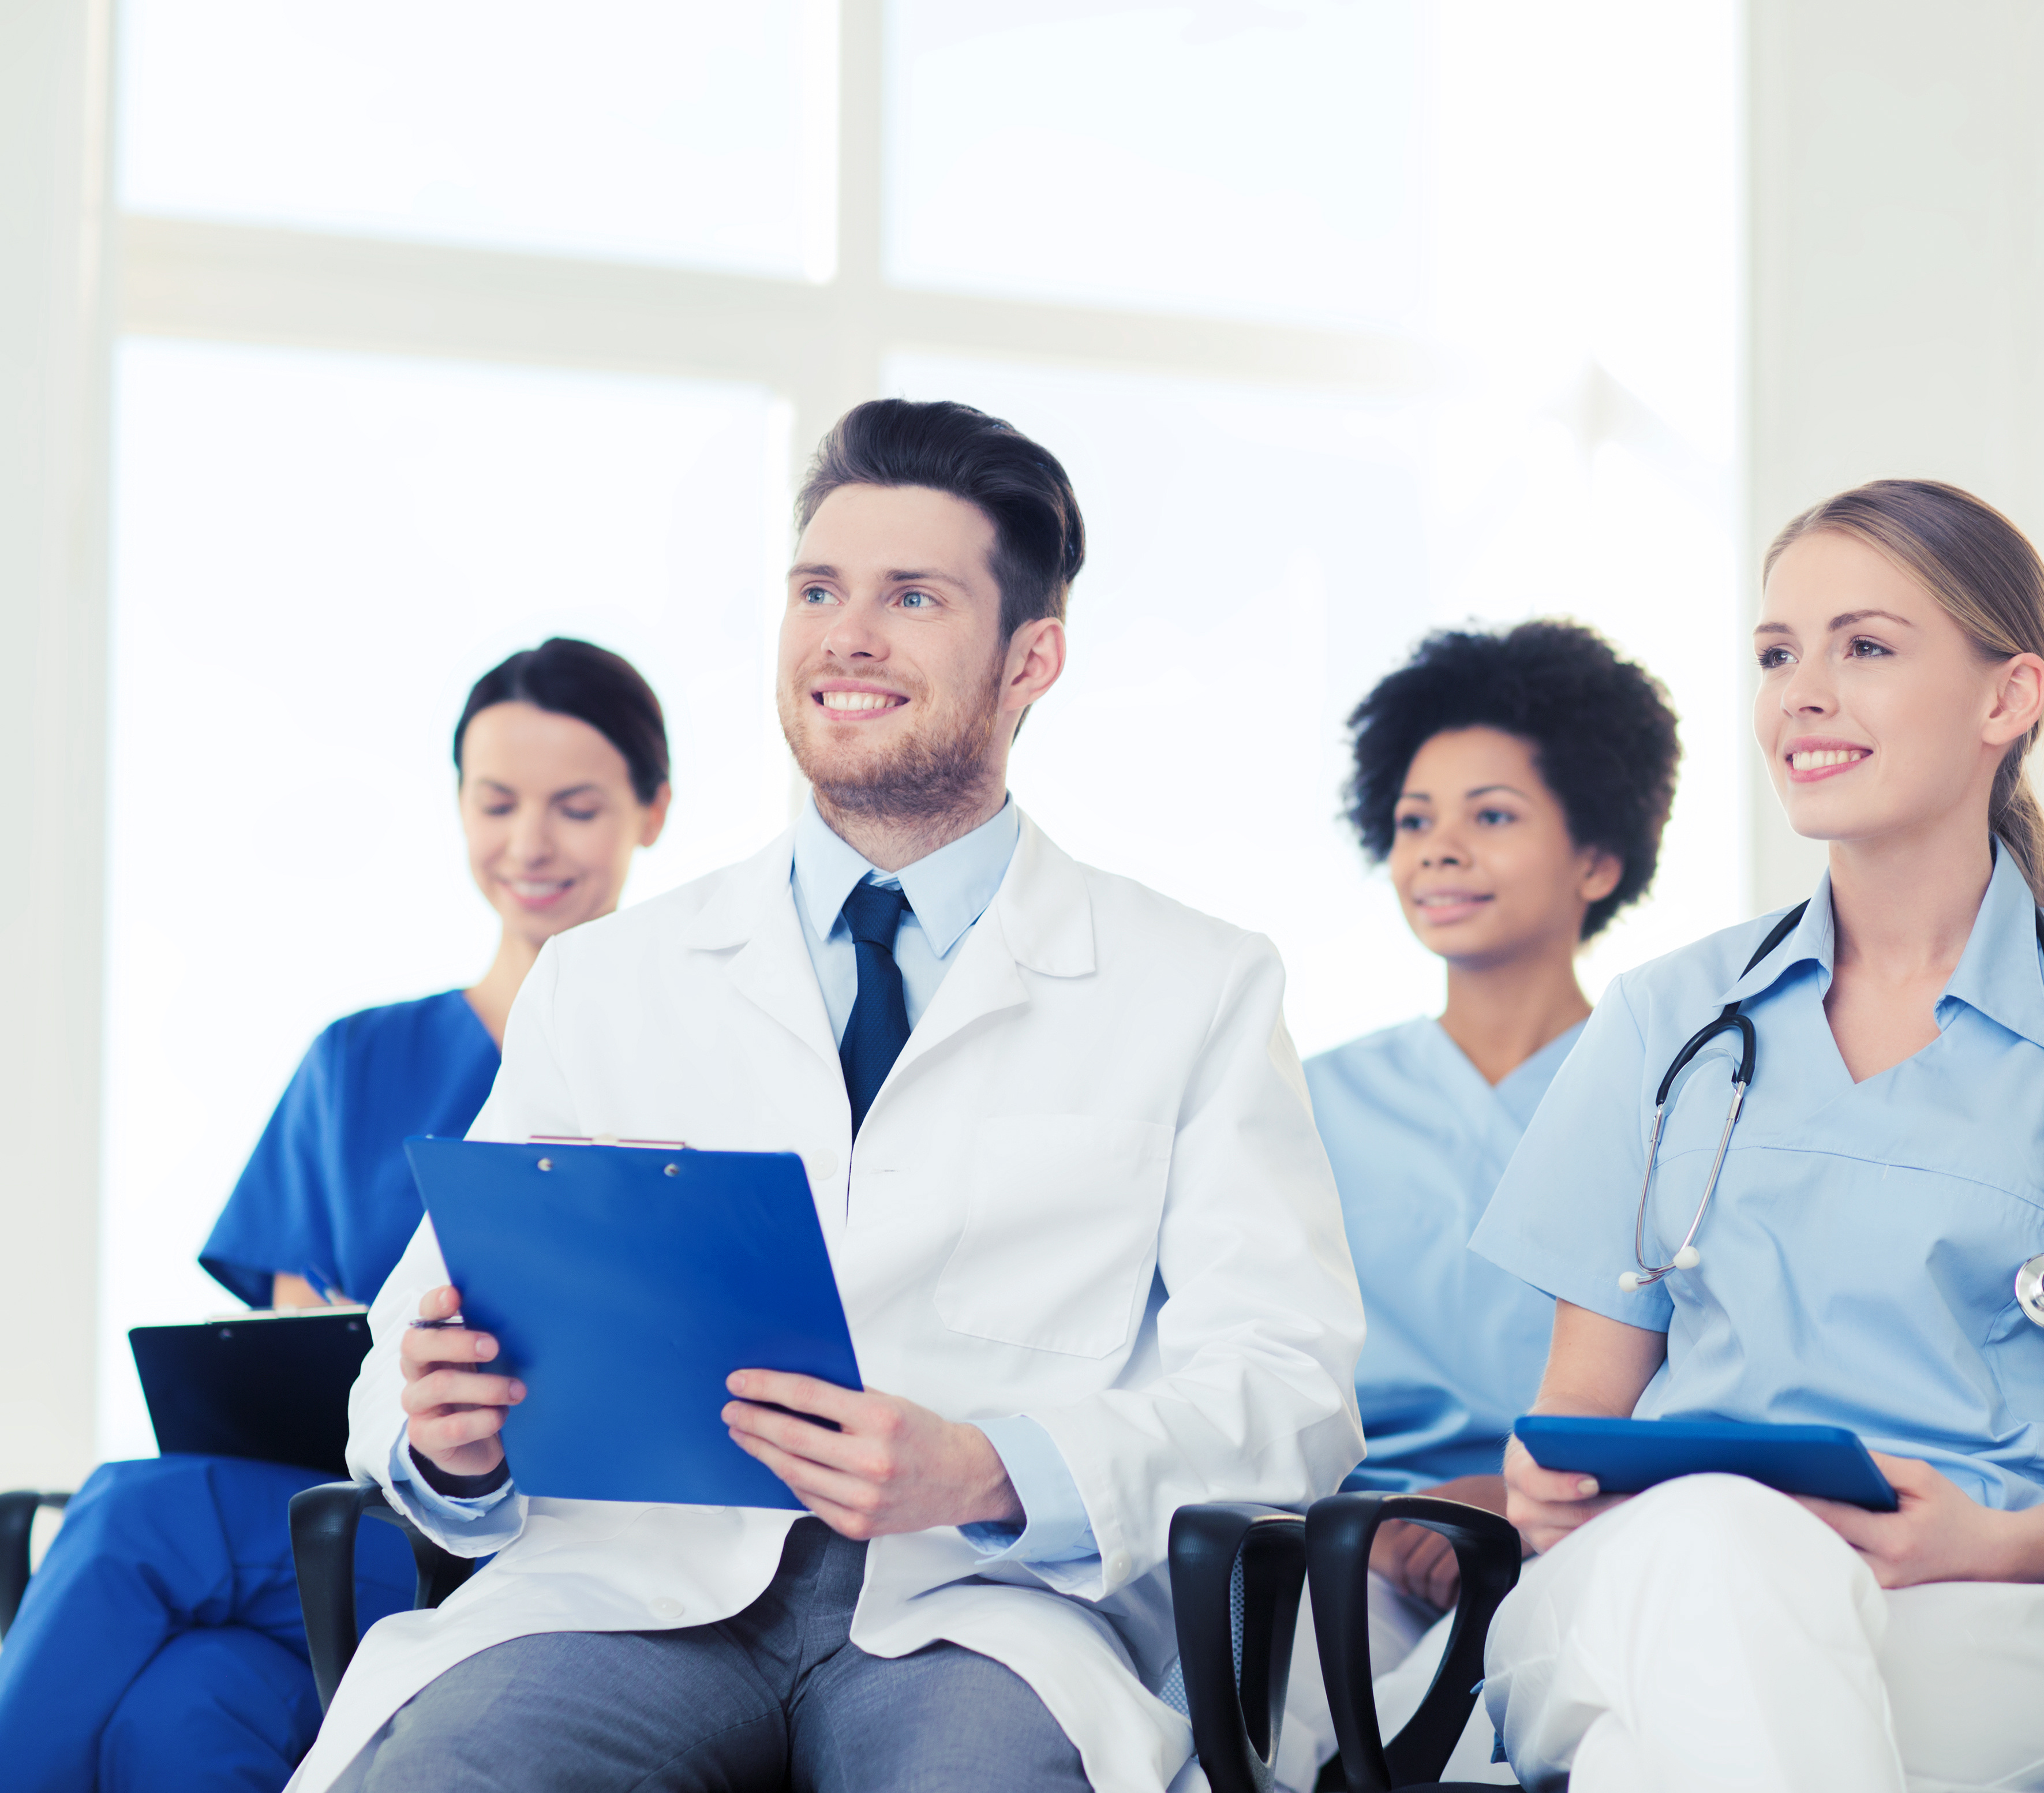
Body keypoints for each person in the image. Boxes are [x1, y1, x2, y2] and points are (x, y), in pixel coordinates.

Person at [290, 399, 1365, 1793]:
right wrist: (444, 1432)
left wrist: (992, 1468)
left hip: (974, 1611)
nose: (847, 635)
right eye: (819, 590)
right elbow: (411, 1353)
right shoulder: (610, 978)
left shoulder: (1196, 985)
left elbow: (1292, 1387)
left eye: (912, 596)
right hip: (629, 1588)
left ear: (1032, 654)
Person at [1466, 480, 2044, 1792]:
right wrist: (1544, 1485)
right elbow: (1571, 1416)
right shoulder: (1668, 1020)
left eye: (1865, 647)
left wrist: (1986, 1539)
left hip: (2006, 1602)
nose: (1801, 693)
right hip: (1647, 1569)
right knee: (1717, 1555)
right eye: (1777, 654)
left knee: (1658, 1747)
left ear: (2010, 699)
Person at [0, 639, 673, 1793]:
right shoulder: (360, 1060)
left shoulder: (682, 1066)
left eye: (576, 806)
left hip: (541, 1547)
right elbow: (288, 1348)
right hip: (336, 1525)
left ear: (651, 810)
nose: (531, 844)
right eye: (497, 801)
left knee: (131, 1510)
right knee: (180, 1708)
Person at [1282, 622, 1680, 1780]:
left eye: (1492, 815)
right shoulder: (1310, 1100)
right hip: (1356, 1547)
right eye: (1415, 820)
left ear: (1597, 858)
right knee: (1256, 1713)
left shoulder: (1674, 1100)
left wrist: (1495, 1496)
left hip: (1582, 1533)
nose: (1440, 849)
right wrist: (1394, 1514)